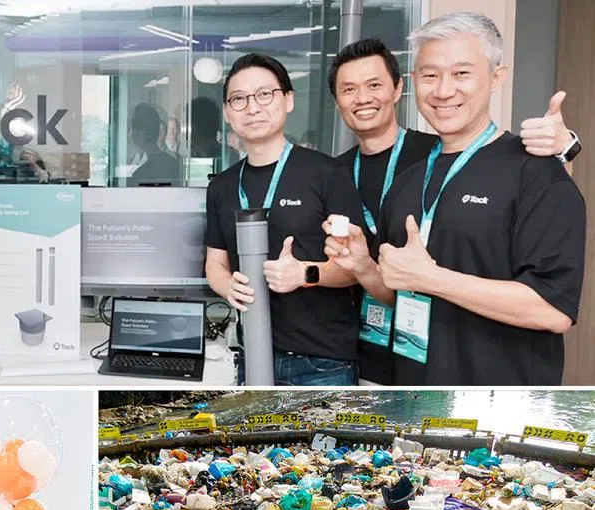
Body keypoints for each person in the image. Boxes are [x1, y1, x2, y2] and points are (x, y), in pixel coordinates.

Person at [327, 12, 586, 385]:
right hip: (415, 391)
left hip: (499, 399)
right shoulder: (408, 181)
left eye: (461, 74)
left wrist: (434, 278)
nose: (443, 90)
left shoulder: (536, 171)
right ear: (415, 83)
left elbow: (552, 309)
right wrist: (363, 266)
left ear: (497, 77)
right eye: (430, 76)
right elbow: (400, 292)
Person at [204, 53, 365, 385]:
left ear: (288, 99)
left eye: (265, 94)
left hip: (322, 363)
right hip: (253, 354)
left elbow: (356, 269)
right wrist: (227, 286)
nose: (252, 108)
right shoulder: (221, 186)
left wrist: (305, 273)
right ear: (226, 112)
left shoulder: (327, 174)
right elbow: (215, 263)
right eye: (239, 99)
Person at [130, 103, 180, 186]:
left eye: (132, 128)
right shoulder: (173, 163)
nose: (130, 133)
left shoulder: (141, 175)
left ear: (142, 133)